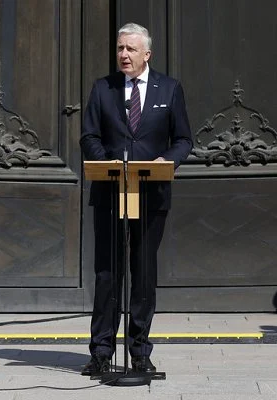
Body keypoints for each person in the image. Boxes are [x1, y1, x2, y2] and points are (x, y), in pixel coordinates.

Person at [80, 23, 193, 375]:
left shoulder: (169, 88)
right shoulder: (103, 89)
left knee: (143, 273)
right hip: (111, 193)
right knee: (108, 272)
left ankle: (140, 352)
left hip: (151, 193)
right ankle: (100, 351)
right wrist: (107, 162)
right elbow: (89, 136)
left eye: (130, 49)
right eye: (120, 49)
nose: (123, 55)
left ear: (147, 54)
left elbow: (183, 139)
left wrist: (166, 161)